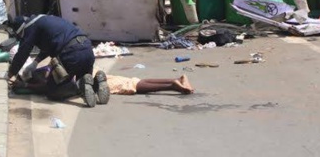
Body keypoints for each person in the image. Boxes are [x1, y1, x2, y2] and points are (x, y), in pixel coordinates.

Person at [7, 15, 108, 108]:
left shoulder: (29, 28)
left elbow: (22, 53)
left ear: (21, 30)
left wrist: (11, 75)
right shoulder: (45, 20)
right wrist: (36, 62)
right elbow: (50, 44)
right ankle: (96, 84)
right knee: (86, 82)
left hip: (71, 54)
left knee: (52, 90)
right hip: (87, 50)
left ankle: (78, 85)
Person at [13, 67, 194, 96]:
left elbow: (46, 88)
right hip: (94, 73)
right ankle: (174, 79)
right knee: (133, 80)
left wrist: (26, 86)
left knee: (131, 85)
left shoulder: (44, 76)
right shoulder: (46, 68)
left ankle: (173, 85)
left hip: (91, 82)